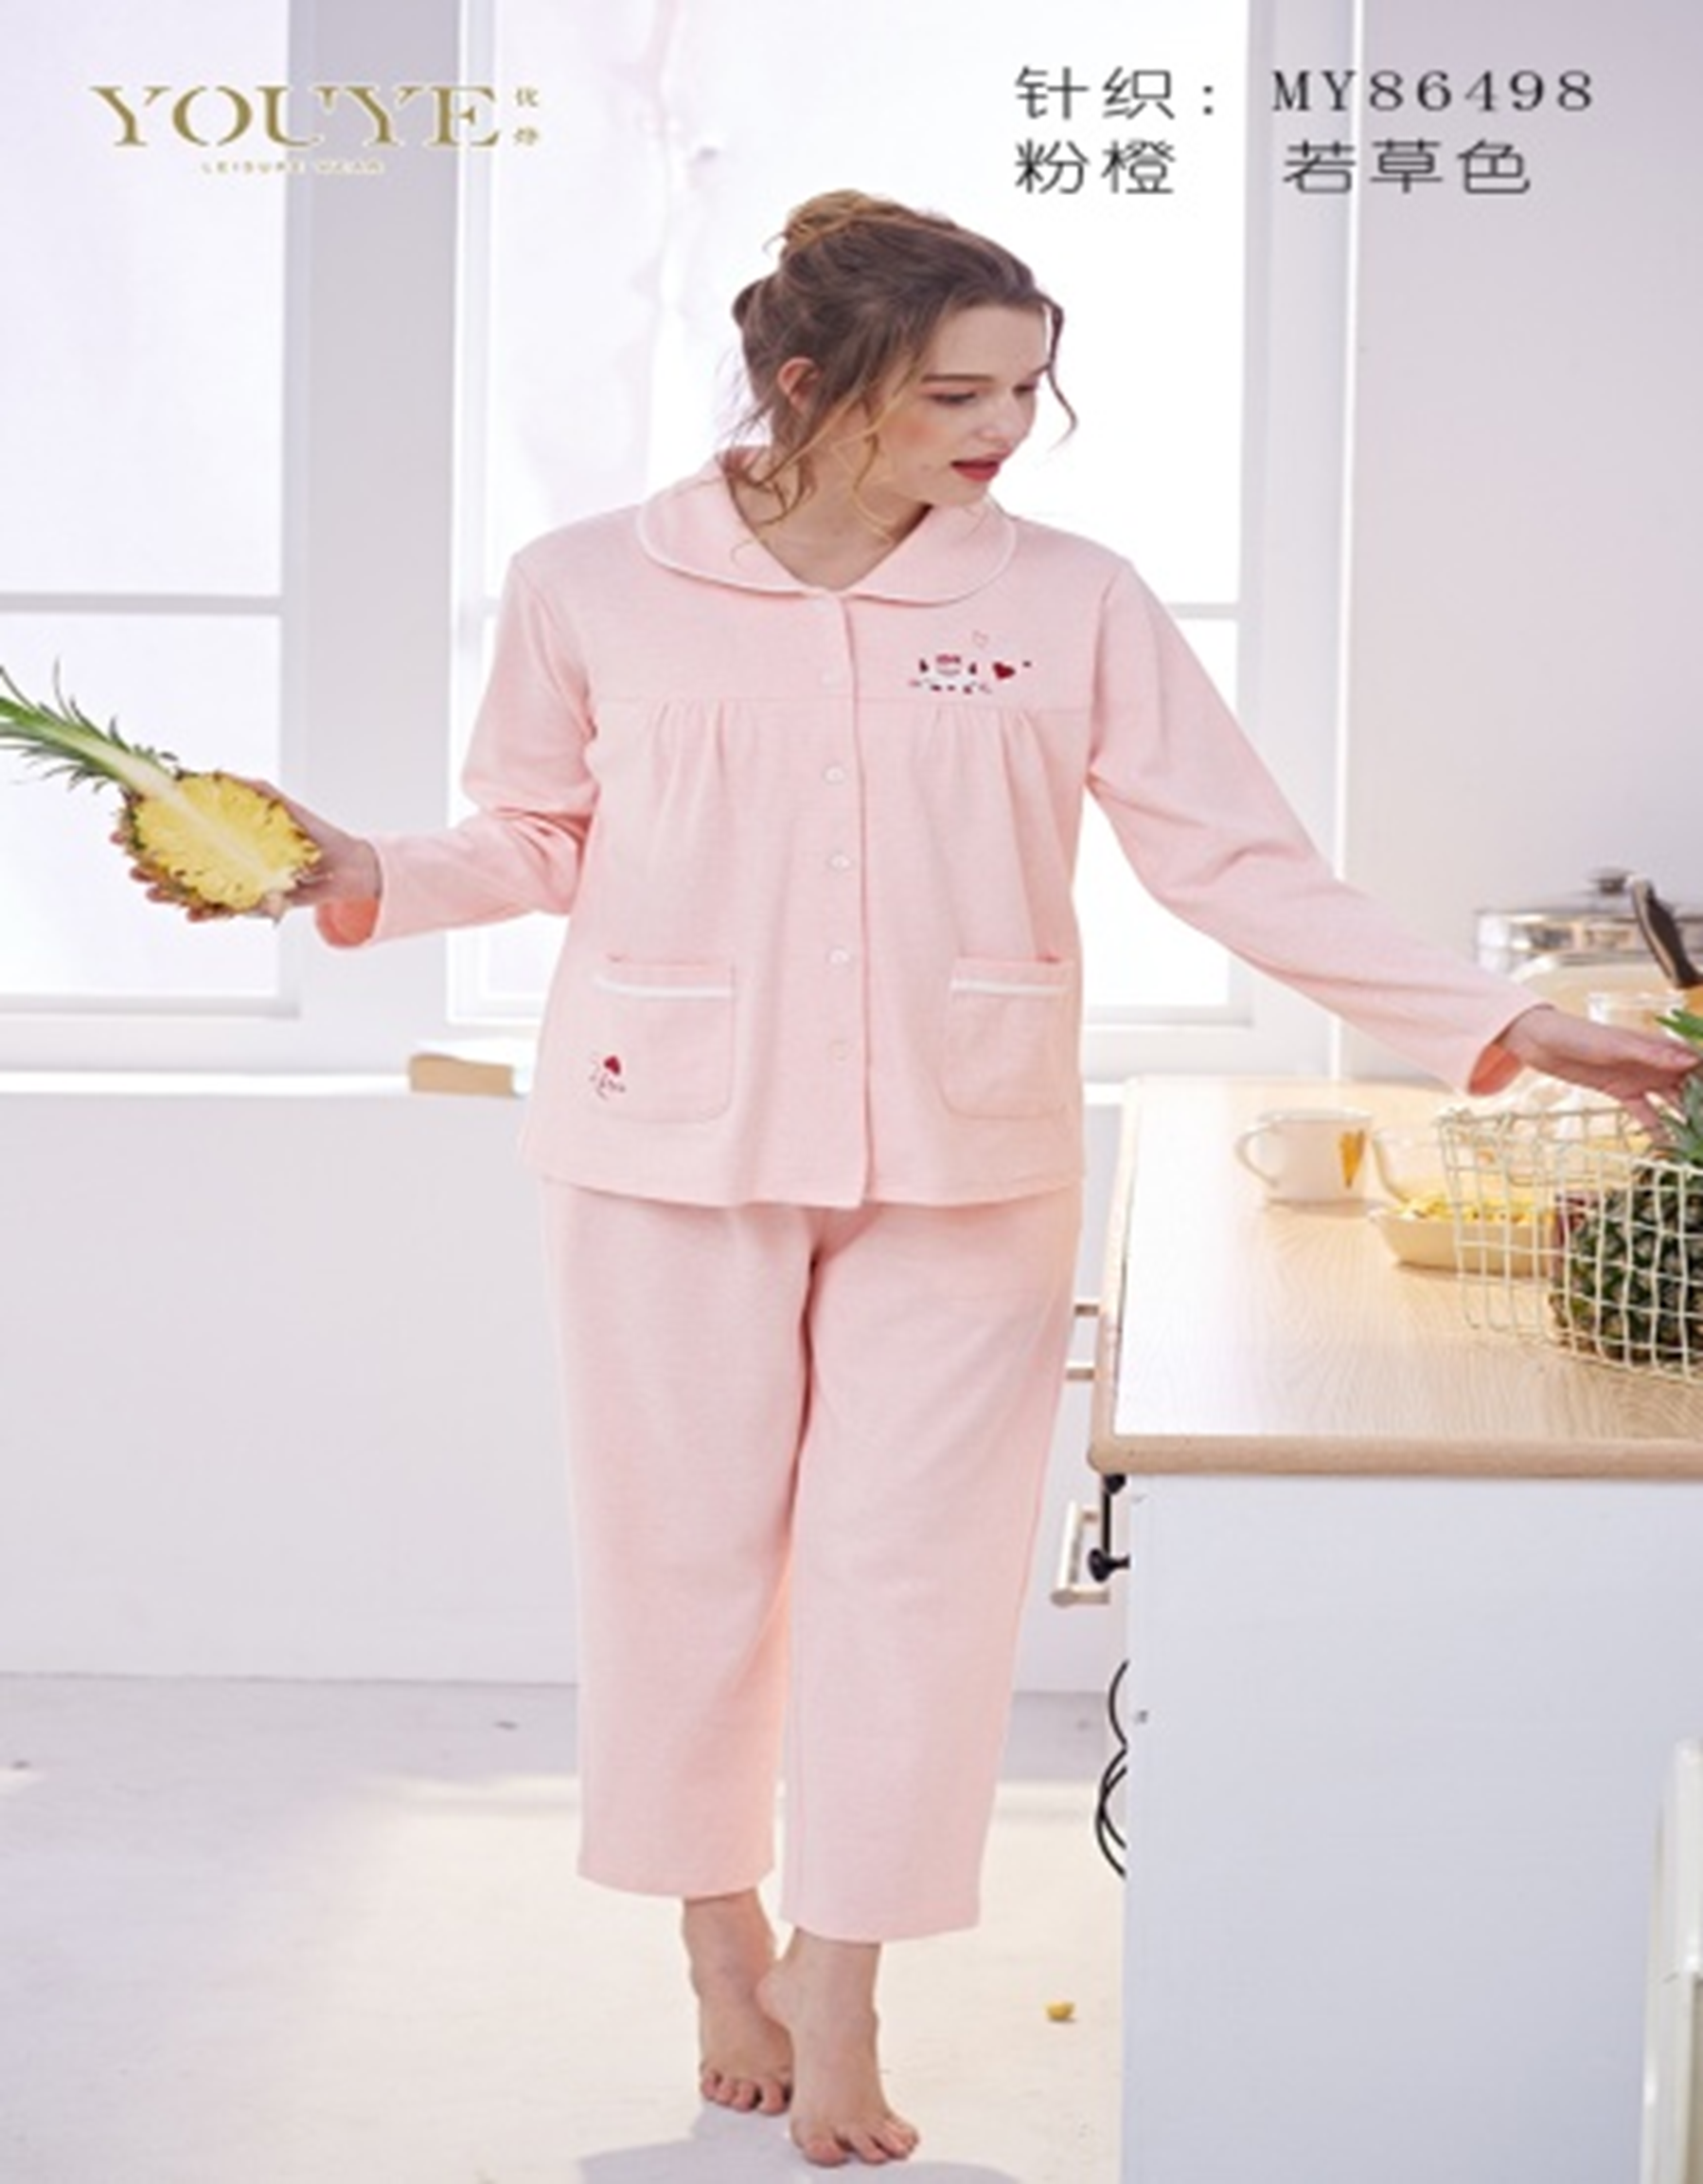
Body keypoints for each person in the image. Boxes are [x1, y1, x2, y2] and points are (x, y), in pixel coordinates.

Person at [198, 192, 1695, 2166]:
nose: (1002, 432)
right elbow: (539, 833)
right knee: (679, 1559)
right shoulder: (590, 582)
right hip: (662, 1137)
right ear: (810, 384)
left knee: (914, 1580)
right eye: (955, 396)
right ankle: (715, 1933)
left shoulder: (1069, 600)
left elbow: (1235, 861)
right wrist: (370, 869)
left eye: (1024, 391)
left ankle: (843, 1979)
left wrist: (1507, 1024)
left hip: (961, 1144)